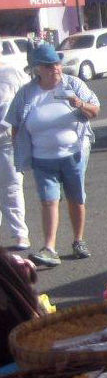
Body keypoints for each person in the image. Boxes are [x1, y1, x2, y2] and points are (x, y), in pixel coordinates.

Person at [4, 43, 100, 268]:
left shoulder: (73, 84)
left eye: (56, 63)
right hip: (42, 158)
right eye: (48, 65)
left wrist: (80, 104)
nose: (55, 68)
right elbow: (14, 123)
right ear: (37, 69)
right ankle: (49, 248)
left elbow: (95, 109)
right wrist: (20, 146)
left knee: (76, 198)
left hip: (73, 153)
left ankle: (78, 240)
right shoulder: (27, 93)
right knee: (48, 201)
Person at [0, 51, 29, 251]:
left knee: (12, 187)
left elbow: (29, 96)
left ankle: (20, 235)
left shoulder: (11, 71)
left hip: (8, 139)